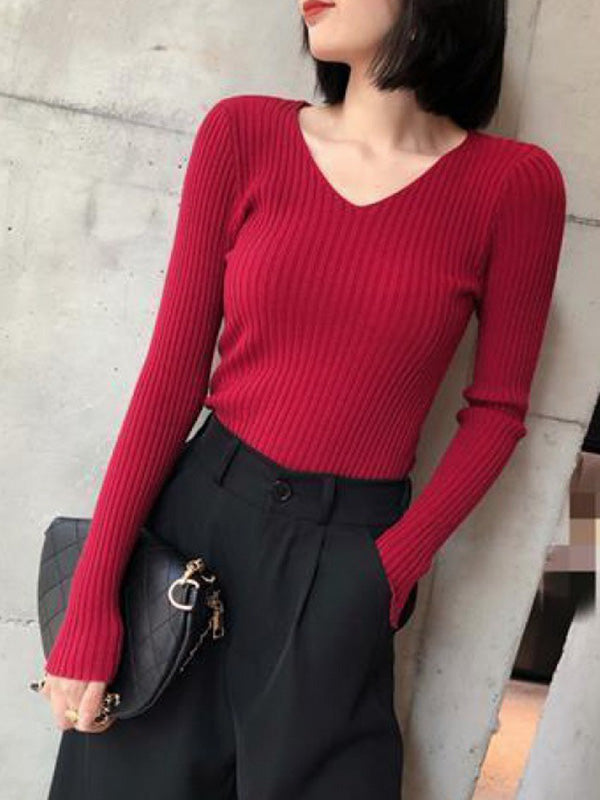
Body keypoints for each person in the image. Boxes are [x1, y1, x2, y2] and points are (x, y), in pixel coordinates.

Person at [38, 0, 567, 797]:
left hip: (347, 561)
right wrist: (93, 599)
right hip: (192, 534)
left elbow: (497, 411)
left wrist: (387, 572)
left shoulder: (515, 186)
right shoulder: (243, 134)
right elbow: (171, 378)